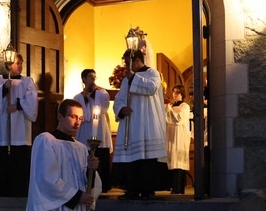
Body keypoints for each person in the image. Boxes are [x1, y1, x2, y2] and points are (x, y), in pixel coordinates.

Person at [112, 48, 167, 199]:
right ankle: (132, 189)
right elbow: (119, 98)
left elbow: (152, 88)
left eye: (127, 62)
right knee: (132, 158)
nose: (126, 66)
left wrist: (134, 78)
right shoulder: (125, 80)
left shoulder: (152, 73)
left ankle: (148, 189)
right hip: (132, 124)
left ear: (136, 61)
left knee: (147, 159)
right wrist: (121, 108)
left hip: (148, 122)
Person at [0, 51, 37, 196]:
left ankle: (19, 192)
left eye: (21, 63)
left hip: (20, 130)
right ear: (8, 64)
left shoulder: (27, 82)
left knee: (20, 163)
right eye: (17, 63)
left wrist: (18, 106)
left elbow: (32, 103)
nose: (20, 66)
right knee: (2, 162)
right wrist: (3, 89)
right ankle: (1, 191)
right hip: (2, 130)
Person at [74, 68, 112, 192]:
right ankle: (87, 184)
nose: (93, 79)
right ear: (84, 79)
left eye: (94, 77)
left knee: (101, 157)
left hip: (100, 130)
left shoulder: (102, 94)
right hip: (85, 132)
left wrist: (93, 93)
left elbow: (102, 109)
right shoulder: (78, 97)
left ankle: (104, 186)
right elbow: (85, 116)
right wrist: (85, 98)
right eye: (90, 77)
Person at [165, 84, 193, 195]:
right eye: (173, 92)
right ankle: (173, 187)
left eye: (177, 92)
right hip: (170, 136)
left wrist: (169, 109)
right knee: (172, 163)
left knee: (179, 164)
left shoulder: (184, 106)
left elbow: (178, 120)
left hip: (180, 137)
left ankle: (179, 188)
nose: (175, 94)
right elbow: (165, 119)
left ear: (182, 94)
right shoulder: (170, 106)